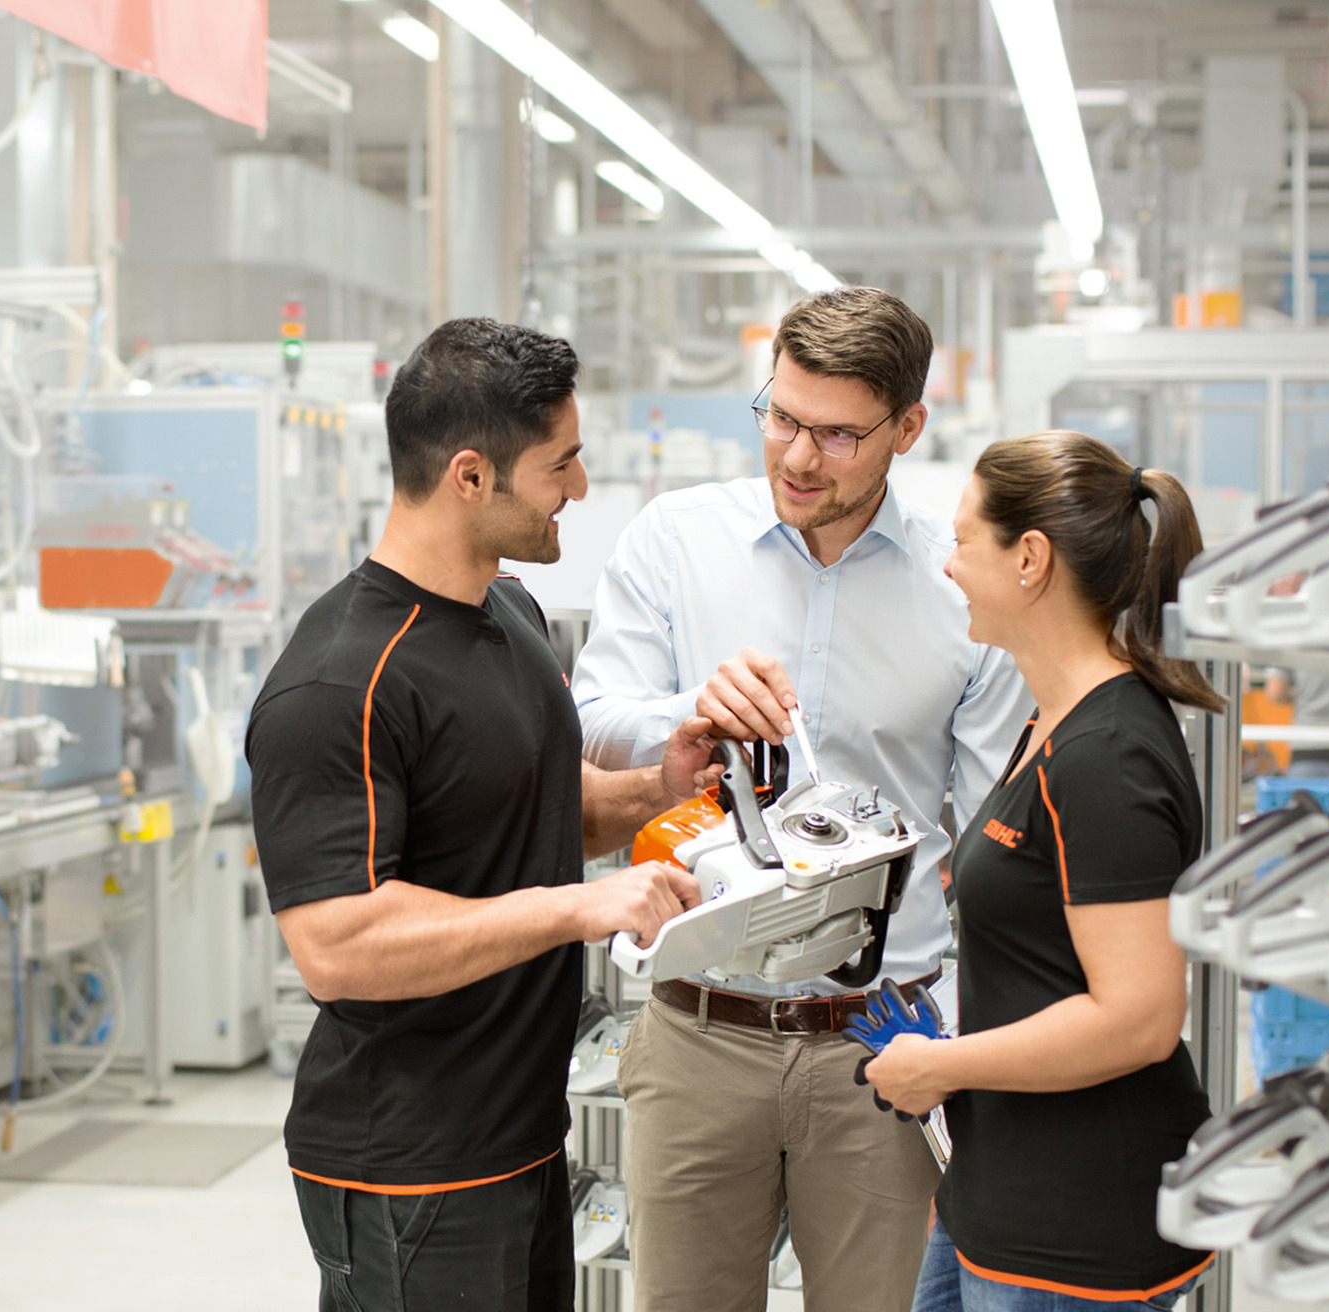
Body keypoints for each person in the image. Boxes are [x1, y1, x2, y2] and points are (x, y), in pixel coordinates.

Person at [246, 318, 723, 1312]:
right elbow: (337, 943)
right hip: (407, 1161)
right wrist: (580, 908)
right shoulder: (340, 681)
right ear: (471, 477)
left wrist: (656, 791)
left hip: (518, 1132)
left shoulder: (512, 616)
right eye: (563, 465)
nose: (580, 489)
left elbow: (534, 807)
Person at [572, 286, 1031, 1312]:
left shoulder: (962, 588)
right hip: (697, 1028)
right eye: (780, 416)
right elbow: (593, 709)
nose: (797, 456)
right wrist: (684, 716)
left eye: (836, 434)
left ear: (908, 427)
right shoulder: (675, 540)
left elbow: (997, 823)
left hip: (881, 1045)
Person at [863, 432, 1220, 1310]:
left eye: (963, 541)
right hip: (1001, 1188)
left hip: (1075, 1225)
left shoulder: (1106, 755)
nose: (947, 568)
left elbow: (1137, 1019)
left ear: (1030, 559)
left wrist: (943, 1067)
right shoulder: (1051, 722)